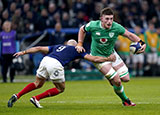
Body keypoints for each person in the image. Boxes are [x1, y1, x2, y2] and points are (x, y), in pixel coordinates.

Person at [7, 39, 116, 108]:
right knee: (60, 88)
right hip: (55, 63)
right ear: (76, 45)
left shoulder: (58, 46)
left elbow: (39, 48)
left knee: (37, 83)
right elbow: (94, 59)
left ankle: (17, 95)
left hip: (45, 60)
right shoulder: (77, 49)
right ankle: (36, 98)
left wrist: (23, 52)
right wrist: (108, 58)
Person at [76, 7, 146, 106]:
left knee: (126, 79)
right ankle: (125, 101)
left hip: (112, 55)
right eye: (107, 19)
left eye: (111, 19)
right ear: (101, 19)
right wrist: (79, 43)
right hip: (98, 58)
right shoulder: (93, 25)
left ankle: (111, 77)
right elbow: (82, 29)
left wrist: (141, 42)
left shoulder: (116, 27)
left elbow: (129, 35)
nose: (109, 21)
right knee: (117, 80)